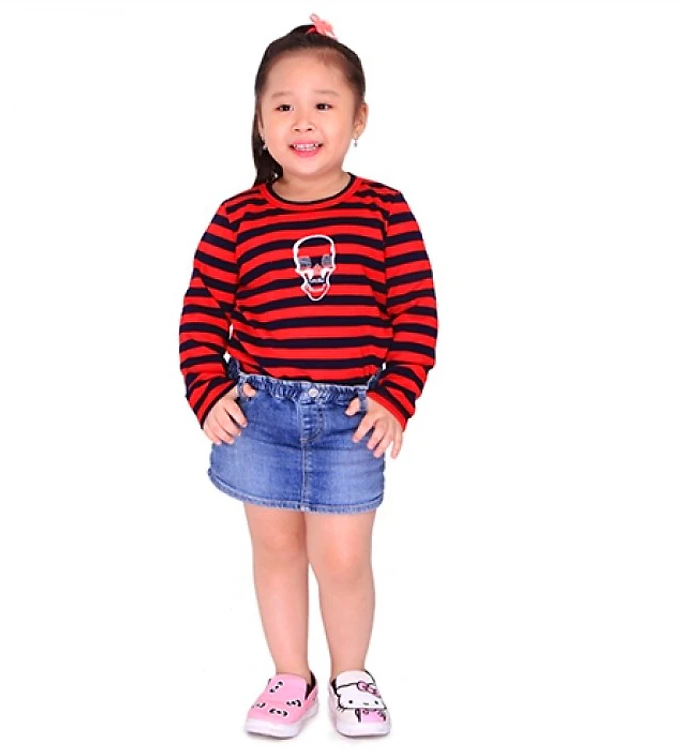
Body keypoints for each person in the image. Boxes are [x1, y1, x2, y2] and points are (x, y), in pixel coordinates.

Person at [178, 12, 438, 739]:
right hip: (259, 414)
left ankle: (351, 674)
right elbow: (201, 313)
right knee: (275, 550)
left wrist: (395, 398)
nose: (303, 121)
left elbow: (417, 313)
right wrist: (208, 393)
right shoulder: (237, 218)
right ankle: (291, 676)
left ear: (358, 119)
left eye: (323, 104)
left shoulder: (385, 211)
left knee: (344, 557)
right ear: (260, 122)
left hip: (352, 418)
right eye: (283, 105)